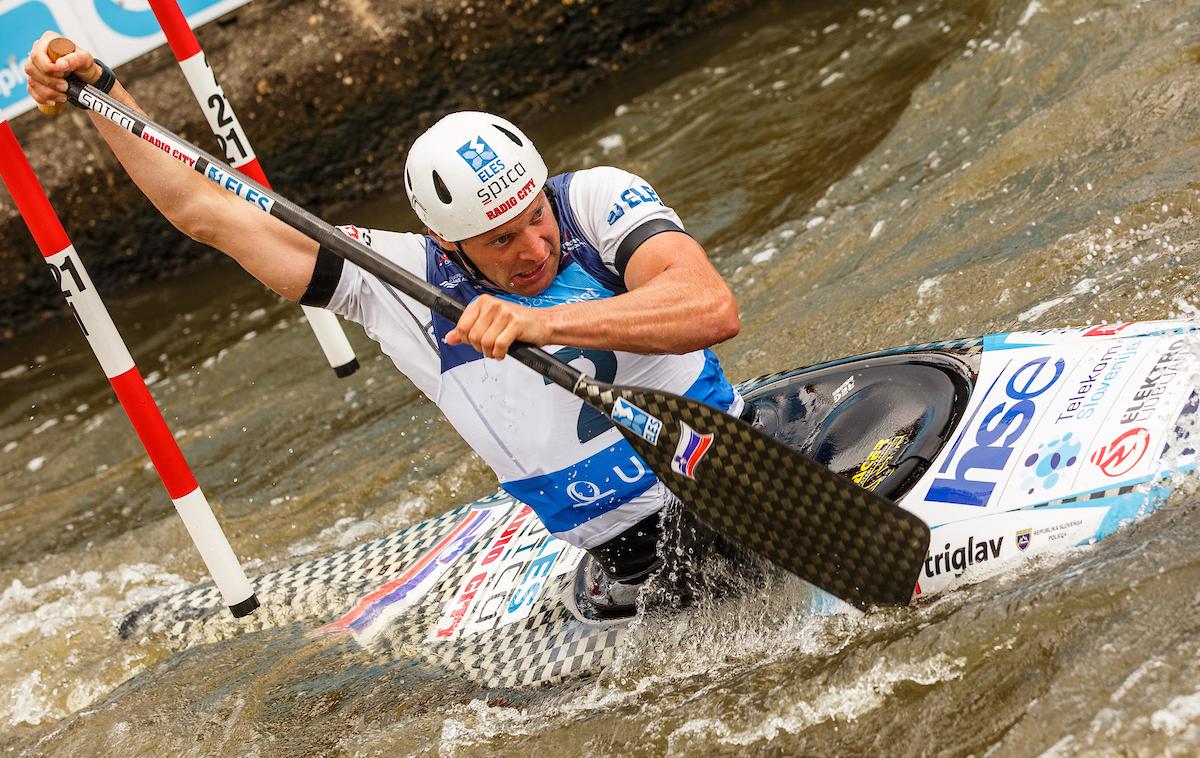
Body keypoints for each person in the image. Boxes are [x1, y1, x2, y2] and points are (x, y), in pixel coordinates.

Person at [25, 33, 743, 616]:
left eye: (534, 219)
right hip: (629, 554)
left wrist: (540, 319)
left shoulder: (594, 200)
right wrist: (102, 91)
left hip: (740, 475)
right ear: (448, 243)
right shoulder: (397, 282)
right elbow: (205, 211)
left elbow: (711, 308)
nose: (533, 248)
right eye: (500, 240)